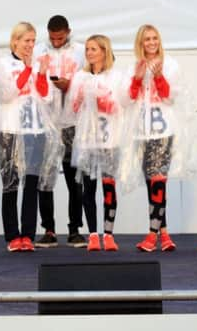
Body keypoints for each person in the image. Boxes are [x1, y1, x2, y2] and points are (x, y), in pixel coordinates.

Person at [0, 22, 61, 252]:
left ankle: (28, 235)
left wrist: (40, 72)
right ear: (15, 41)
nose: (30, 45)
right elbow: (6, 94)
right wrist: (28, 70)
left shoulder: (40, 64)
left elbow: (47, 97)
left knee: (32, 185)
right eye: (26, 41)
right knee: (10, 184)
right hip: (11, 131)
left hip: (35, 132)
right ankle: (12, 236)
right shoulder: (3, 64)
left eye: (33, 40)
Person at [123, 24, 181, 252]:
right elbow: (126, 99)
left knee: (159, 181)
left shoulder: (171, 65)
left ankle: (151, 233)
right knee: (152, 184)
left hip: (163, 131)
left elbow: (170, 97)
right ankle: (164, 233)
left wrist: (158, 76)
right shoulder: (133, 66)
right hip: (141, 132)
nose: (151, 42)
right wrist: (137, 79)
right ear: (140, 42)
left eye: (154, 38)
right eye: (146, 39)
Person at [33, 15, 86, 248]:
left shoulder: (81, 51)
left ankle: (75, 229)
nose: (56, 42)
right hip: (46, 123)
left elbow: (91, 78)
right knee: (45, 180)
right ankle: (49, 230)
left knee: (75, 180)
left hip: (73, 122)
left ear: (68, 32)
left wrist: (70, 85)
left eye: (60, 38)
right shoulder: (38, 51)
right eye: (53, 38)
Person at [68, 35, 123, 251]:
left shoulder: (115, 76)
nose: (89, 53)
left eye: (93, 49)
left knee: (109, 187)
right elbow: (74, 108)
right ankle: (92, 235)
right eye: (88, 49)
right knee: (88, 189)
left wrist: (100, 98)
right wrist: (82, 97)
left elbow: (119, 107)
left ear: (104, 51)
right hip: (88, 142)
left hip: (110, 140)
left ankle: (108, 234)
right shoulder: (80, 77)